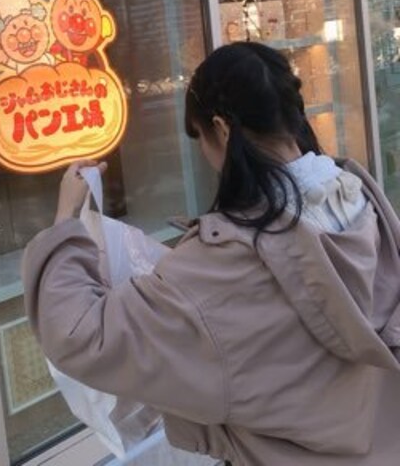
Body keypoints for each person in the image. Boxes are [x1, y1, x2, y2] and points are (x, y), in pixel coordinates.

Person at [22, 42, 400, 465]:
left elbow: (80, 335)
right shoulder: (362, 202)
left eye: (199, 136)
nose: (203, 153)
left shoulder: (230, 260)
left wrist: (66, 222)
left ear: (220, 128)